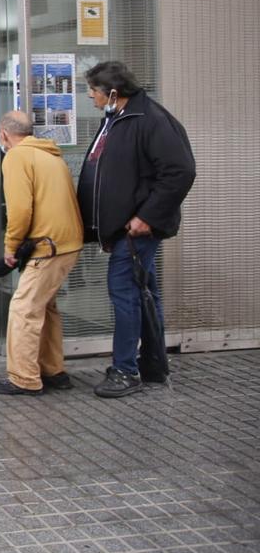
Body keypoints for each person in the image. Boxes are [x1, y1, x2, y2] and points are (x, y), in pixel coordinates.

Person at [77, 61, 195, 397]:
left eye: (93, 90)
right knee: (144, 295)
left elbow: (180, 172)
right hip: (121, 230)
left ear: (113, 92)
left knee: (124, 293)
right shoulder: (118, 118)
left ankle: (125, 370)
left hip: (136, 231)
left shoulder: (150, 119)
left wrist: (147, 217)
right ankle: (153, 365)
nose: (90, 96)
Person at [0, 112, 85, 396]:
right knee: (46, 307)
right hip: (67, 243)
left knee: (24, 309)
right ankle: (53, 370)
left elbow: (19, 210)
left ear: (4, 134)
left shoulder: (16, 157)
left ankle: (24, 378)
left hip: (47, 247)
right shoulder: (51, 155)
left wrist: (11, 246)